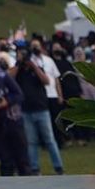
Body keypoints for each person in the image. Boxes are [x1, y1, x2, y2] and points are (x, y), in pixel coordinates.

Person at [16, 42, 63, 173]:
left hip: (41, 109)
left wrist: (33, 66)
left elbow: (46, 81)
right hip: (26, 110)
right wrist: (18, 63)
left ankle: (58, 166)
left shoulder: (37, 68)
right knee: (31, 142)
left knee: (49, 140)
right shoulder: (19, 71)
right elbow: (10, 78)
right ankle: (35, 168)